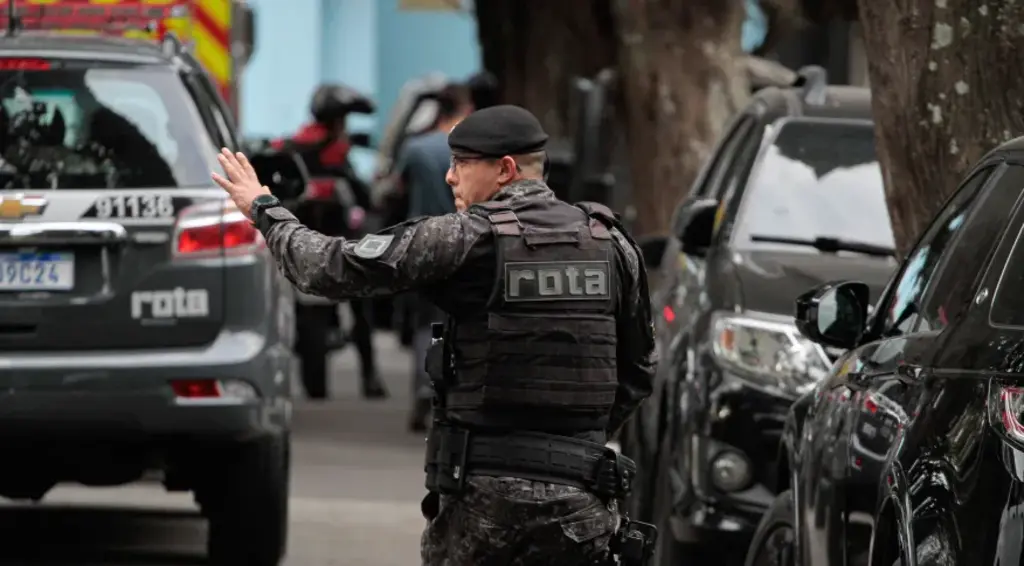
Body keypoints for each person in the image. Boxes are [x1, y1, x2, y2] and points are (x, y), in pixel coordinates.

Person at [211, 105, 657, 565]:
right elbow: (639, 371)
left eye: (461, 163)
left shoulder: (468, 239)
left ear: (504, 170)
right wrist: (573, 445)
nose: (449, 177)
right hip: (583, 508)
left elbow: (327, 268)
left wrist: (264, 210)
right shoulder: (612, 243)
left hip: (486, 508)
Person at [273, 84, 387, 399]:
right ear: (338, 121)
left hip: (302, 243)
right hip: (343, 244)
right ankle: (370, 377)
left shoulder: (291, 147)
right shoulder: (335, 151)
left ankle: (318, 386)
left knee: (310, 310)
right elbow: (365, 197)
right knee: (363, 307)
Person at [394, 83, 473, 431]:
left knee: (427, 324)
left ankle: (425, 386)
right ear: (466, 109)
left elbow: (394, 189)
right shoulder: (474, 151)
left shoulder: (415, 148)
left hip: (422, 245)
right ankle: (455, 393)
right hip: (467, 245)